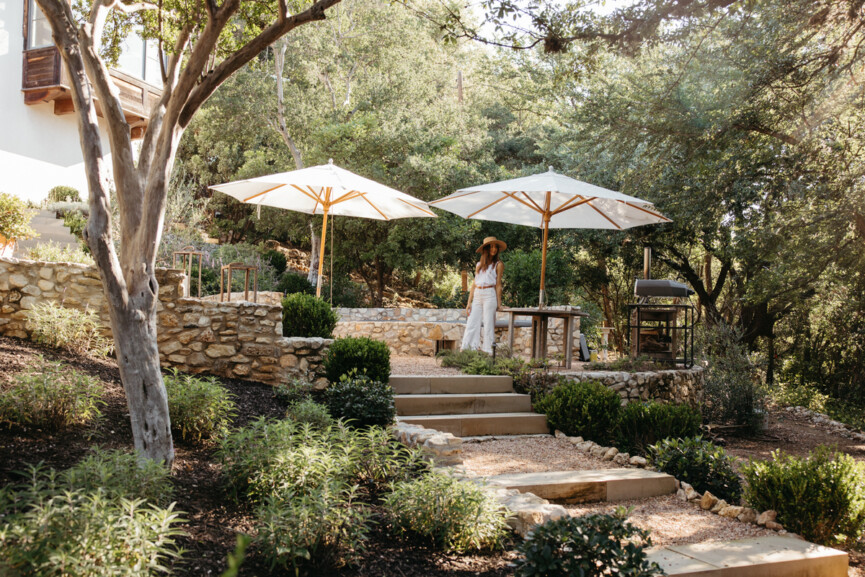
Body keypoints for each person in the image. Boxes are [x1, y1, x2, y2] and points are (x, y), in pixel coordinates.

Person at [461, 236, 506, 354]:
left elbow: (498, 285)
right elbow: (473, 284)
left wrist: (499, 304)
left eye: (495, 246)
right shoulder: (479, 265)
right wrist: (468, 303)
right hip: (477, 295)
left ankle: (488, 352)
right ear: (486, 249)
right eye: (491, 246)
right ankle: (467, 350)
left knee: (488, 324)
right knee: (471, 323)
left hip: (489, 294)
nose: (494, 249)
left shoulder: (498, 264)